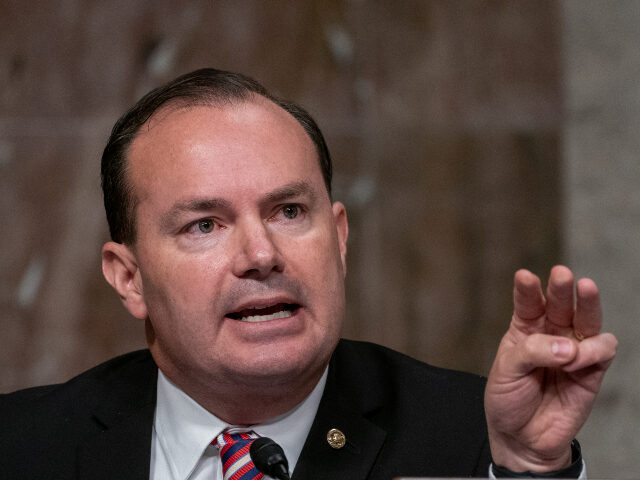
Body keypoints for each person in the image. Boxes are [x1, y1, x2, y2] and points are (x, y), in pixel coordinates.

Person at [0, 68, 617, 480]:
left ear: (340, 238)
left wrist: (531, 470)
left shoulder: (476, 439)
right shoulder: (22, 447)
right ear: (129, 277)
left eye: (289, 211)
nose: (261, 254)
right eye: (205, 225)